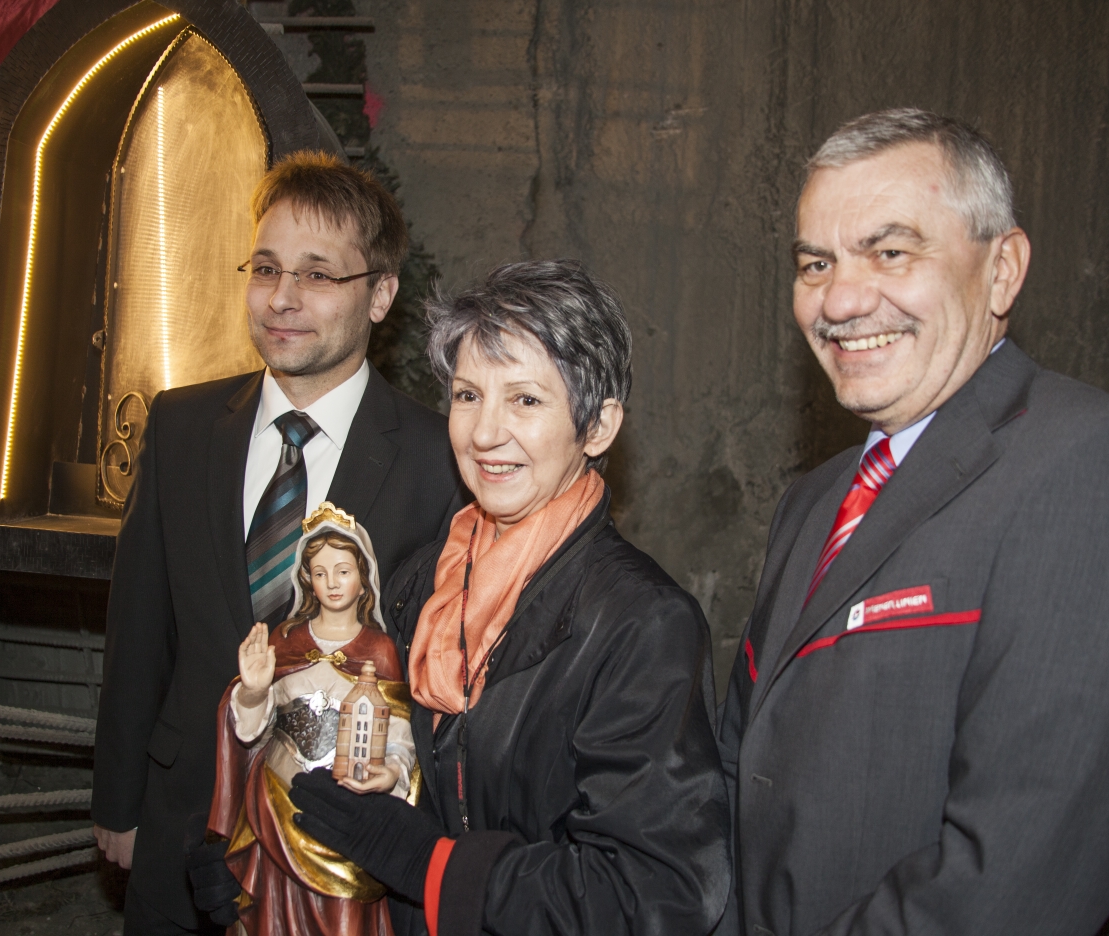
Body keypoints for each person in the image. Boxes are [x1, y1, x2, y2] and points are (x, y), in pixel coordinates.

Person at [717, 108, 1109, 935]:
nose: (840, 299)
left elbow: (1017, 882)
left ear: (1002, 270)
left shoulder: (1100, 468)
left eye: (890, 251)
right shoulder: (815, 499)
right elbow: (742, 772)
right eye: (816, 263)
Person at [289, 260, 731, 936]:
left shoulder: (641, 624)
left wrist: (433, 867)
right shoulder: (416, 584)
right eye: (468, 396)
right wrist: (270, 866)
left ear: (599, 426)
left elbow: (651, 895)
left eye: (525, 399)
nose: (485, 433)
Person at [92, 150, 465, 935]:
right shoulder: (182, 427)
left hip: (340, 853)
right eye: (266, 268)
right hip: (183, 816)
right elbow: (138, 631)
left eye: (319, 275)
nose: (283, 298)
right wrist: (119, 801)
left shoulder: (440, 459)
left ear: (381, 295)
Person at [207, 503, 414, 936]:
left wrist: (391, 771)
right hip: (277, 807)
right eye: (320, 573)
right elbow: (251, 731)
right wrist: (254, 691)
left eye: (342, 571)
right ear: (307, 579)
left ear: (363, 579)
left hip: (345, 817)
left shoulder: (380, 651)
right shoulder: (285, 641)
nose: (332, 583)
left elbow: (398, 734)